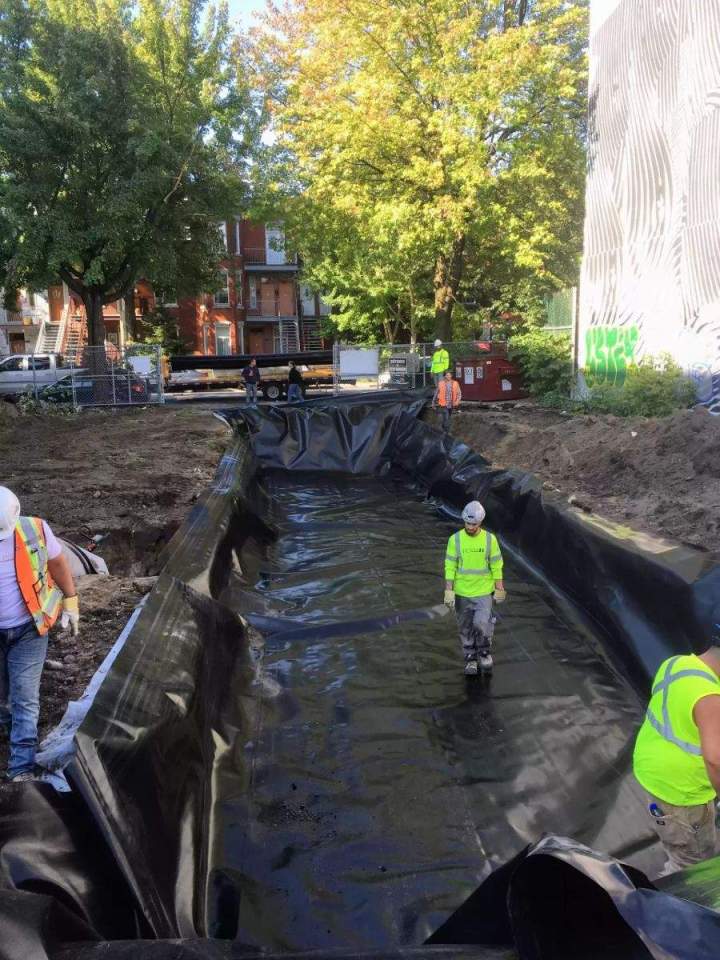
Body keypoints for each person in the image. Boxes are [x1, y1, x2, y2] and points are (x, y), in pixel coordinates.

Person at [0, 487, 79, 782]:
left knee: (25, 697)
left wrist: (71, 602)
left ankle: (21, 768)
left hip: (29, 630)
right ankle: (8, 727)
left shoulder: (34, 529)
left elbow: (57, 563)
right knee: (3, 696)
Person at [632, 627, 720, 871]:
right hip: (682, 792)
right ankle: (688, 898)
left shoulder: (677, 664)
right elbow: (715, 760)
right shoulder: (710, 699)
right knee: (695, 862)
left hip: (653, 769)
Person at [443, 501, 505, 675]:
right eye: (467, 523)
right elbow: (450, 566)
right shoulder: (455, 540)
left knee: (480, 623)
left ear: (481, 522)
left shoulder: (489, 539)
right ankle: (470, 658)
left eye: (474, 524)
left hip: (483, 591)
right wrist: (449, 590)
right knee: (465, 627)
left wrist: (499, 588)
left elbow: (496, 565)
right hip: (462, 593)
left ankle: (484, 652)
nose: (470, 527)